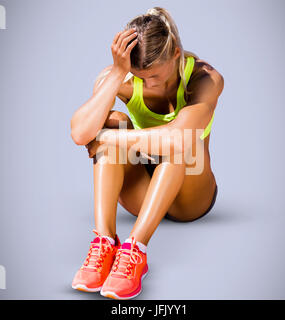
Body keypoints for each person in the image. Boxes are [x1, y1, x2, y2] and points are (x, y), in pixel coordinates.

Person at [70, 7, 224, 300]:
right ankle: (104, 242)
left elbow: (179, 139)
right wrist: (117, 73)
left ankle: (135, 251)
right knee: (113, 120)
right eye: (139, 75)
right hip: (144, 190)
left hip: (192, 194)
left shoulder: (205, 78)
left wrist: (110, 141)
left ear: (176, 53)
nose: (147, 83)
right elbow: (80, 132)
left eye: (154, 75)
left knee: (181, 141)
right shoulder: (125, 78)